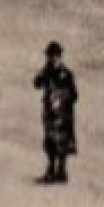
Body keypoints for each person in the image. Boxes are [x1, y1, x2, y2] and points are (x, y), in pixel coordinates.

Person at [33, 42, 78, 184]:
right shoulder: (46, 71)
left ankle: (61, 171)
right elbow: (36, 84)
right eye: (50, 56)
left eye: (55, 56)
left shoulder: (67, 73)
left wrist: (60, 97)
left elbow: (74, 95)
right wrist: (42, 73)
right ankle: (51, 170)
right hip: (50, 112)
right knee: (50, 140)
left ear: (59, 56)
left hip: (63, 113)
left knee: (63, 141)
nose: (52, 58)